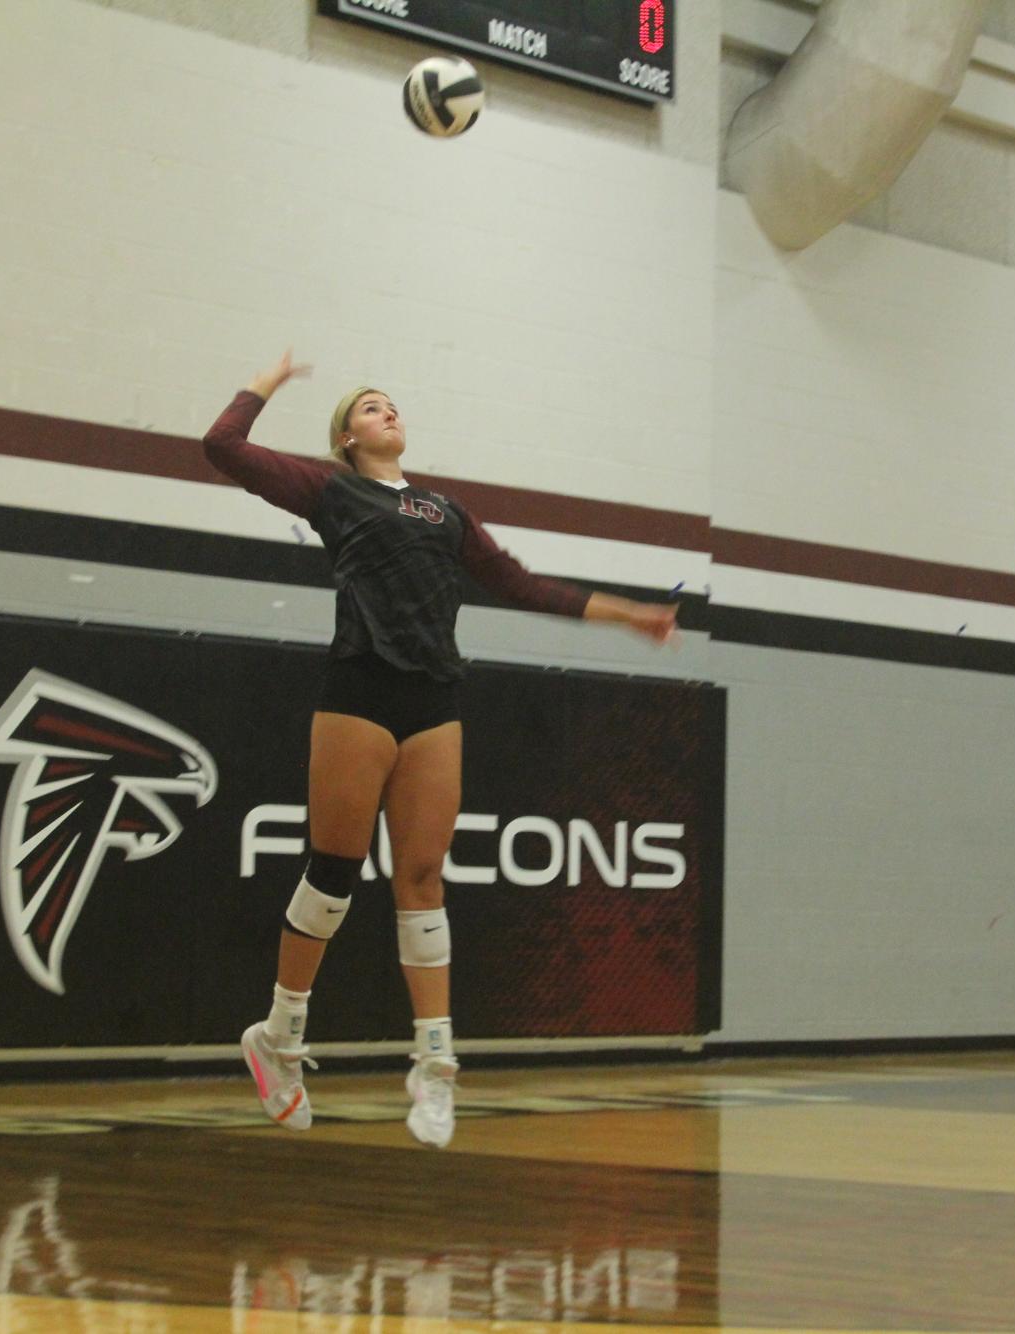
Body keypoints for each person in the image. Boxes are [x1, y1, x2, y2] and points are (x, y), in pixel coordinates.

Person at [203, 350, 678, 1147]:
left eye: (390, 404)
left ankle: (433, 1064)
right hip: (359, 689)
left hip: (433, 699)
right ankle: (279, 1038)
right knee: (333, 874)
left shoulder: (443, 512)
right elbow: (222, 449)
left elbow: (523, 586)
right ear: (346, 439)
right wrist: (268, 380)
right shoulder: (332, 490)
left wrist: (626, 614)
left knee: (422, 876)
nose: (385, 412)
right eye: (367, 408)